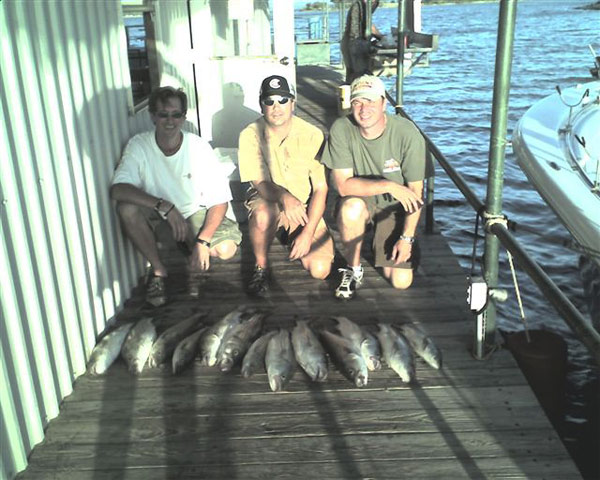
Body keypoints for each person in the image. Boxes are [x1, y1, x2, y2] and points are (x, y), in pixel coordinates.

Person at [110, 86, 242, 307]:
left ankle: (190, 244)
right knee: (126, 208)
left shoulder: (197, 146)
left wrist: (202, 241)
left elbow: (220, 200)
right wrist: (164, 206)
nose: (170, 121)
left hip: (194, 211)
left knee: (226, 249)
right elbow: (118, 189)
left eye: (176, 114)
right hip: (159, 214)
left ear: (184, 116)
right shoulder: (139, 144)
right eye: (163, 114)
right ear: (153, 116)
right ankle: (159, 271)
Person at [321, 75, 426, 300]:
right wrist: (389, 185)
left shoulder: (408, 133)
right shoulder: (341, 128)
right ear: (351, 105)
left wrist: (406, 238)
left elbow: (416, 194)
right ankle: (353, 268)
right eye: (358, 102)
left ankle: (397, 241)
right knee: (350, 209)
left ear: (384, 103)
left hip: (396, 209)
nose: (364, 108)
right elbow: (342, 186)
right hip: (362, 200)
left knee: (401, 282)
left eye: (371, 101)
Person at [238, 75, 335, 297]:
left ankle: (288, 233)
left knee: (320, 270)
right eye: (269, 101)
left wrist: (308, 233)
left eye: (282, 100)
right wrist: (283, 195)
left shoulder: (313, 134)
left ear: (293, 102)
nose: (276, 107)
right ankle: (261, 267)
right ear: (261, 105)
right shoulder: (249, 135)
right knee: (263, 214)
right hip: (268, 199)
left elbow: (321, 188)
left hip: (302, 207)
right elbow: (259, 183)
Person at [340, 0, 383, 83]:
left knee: (352, 74)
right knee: (359, 75)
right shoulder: (359, 6)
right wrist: (381, 37)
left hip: (351, 41)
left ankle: (350, 92)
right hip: (354, 42)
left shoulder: (360, 5)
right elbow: (368, 26)